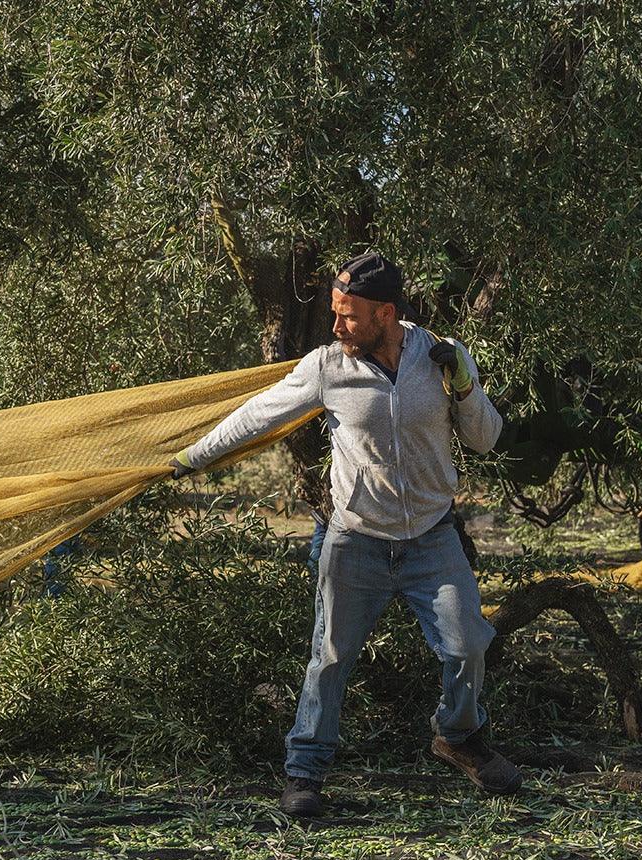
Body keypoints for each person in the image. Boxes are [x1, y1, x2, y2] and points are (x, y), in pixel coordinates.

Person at [169, 252, 523, 815]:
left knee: (467, 644)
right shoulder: (328, 366)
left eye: (348, 316)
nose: (337, 326)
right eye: (334, 312)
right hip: (355, 539)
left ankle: (458, 738)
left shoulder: (441, 357)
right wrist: (191, 457)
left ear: (385, 313)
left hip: (432, 539)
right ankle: (304, 771)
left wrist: (465, 387)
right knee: (330, 659)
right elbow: (258, 414)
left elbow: (486, 438)